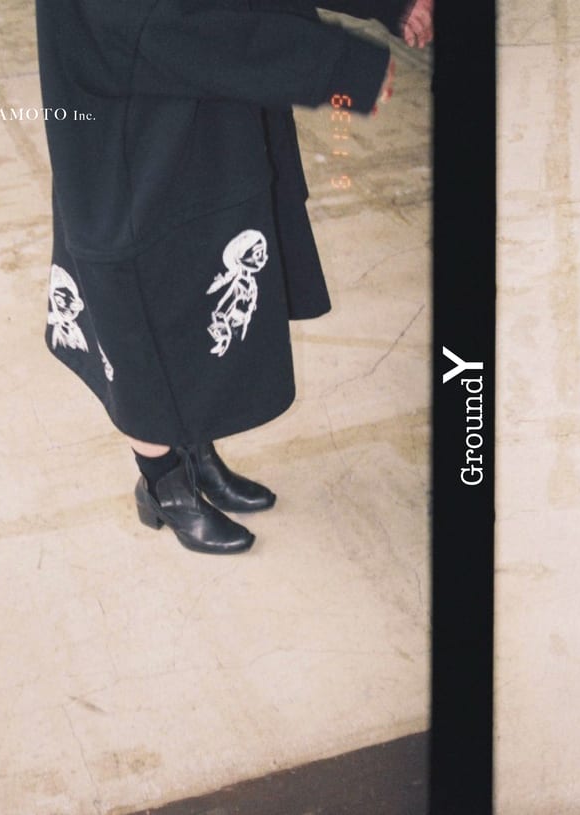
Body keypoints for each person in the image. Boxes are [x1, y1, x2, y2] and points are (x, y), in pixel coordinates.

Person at [35, 0, 433, 553]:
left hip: (203, 117)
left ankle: (194, 453)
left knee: (195, 290)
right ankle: (163, 483)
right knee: (144, 312)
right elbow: (164, 24)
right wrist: (331, 64)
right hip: (132, 133)